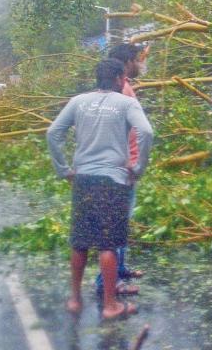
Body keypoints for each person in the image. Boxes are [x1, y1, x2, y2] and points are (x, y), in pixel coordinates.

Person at [47, 58, 153, 320]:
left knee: (80, 242)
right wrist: (138, 168)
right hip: (114, 180)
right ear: (119, 78)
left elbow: (52, 133)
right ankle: (110, 305)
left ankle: (74, 300)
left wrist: (63, 170)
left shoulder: (78, 101)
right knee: (108, 243)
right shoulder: (126, 103)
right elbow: (147, 132)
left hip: (83, 179)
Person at [93, 43, 148, 296]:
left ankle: (120, 268)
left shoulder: (122, 89)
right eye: (138, 60)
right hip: (122, 168)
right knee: (114, 225)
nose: (140, 64)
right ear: (127, 63)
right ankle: (107, 281)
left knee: (121, 223)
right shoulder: (122, 92)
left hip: (122, 166)